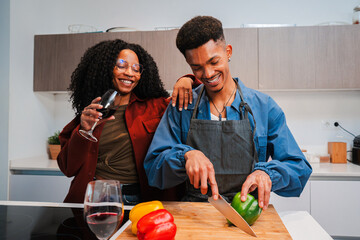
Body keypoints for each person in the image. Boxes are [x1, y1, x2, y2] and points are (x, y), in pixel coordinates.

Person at [144, 16, 312, 210]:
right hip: (195, 215)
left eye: (214, 61)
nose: (207, 74)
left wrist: (267, 174)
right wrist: (186, 156)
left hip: (248, 212)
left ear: (228, 52)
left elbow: (299, 168)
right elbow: (153, 169)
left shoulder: (264, 107)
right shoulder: (182, 106)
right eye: (196, 68)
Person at [57, 39, 195, 204]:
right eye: (121, 65)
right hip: (99, 197)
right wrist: (84, 131)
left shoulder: (157, 106)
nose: (130, 73)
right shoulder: (91, 113)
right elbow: (68, 168)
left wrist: (188, 79)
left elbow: (202, 94)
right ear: (106, 68)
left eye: (136, 69)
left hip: (143, 198)